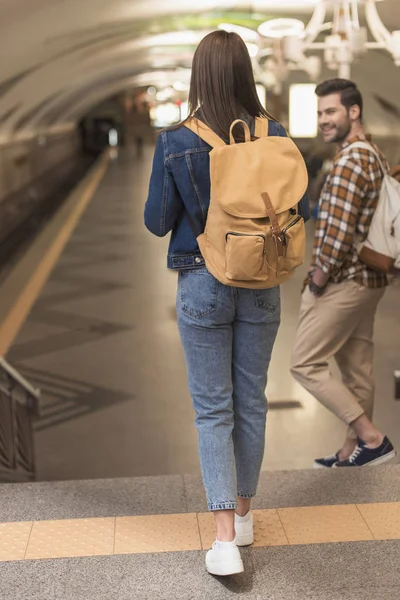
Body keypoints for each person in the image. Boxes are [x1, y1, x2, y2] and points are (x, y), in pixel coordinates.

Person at [145, 30, 308, 576]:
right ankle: (243, 513)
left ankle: (222, 540)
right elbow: (296, 205)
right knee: (252, 401)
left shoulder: (177, 140)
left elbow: (155, 221)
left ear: (198, 76)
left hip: (202, 282)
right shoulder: (275, 132)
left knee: (213, 409)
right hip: (263, 281)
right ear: (245, 72)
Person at [291, 78, 396, 469]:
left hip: (347, 280)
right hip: (371, 278)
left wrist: (317, 278)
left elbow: (337, 230)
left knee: (304, 363)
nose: (323, 120)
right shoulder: (374, 154)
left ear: (354, 112)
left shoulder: (351, 159)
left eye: (331, 111)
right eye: (320, 113)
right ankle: (351, 451)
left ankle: (372, 438)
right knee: (357, 367)